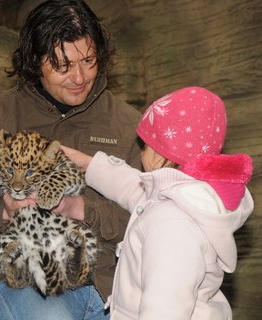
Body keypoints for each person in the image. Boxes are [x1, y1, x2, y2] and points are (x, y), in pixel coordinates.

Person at [0, 0, 143, 319]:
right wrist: (1, 213)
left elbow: (156, 214)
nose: (79, 77)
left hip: (115, 284)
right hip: (24, 280)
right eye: (62, 66)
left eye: (89, 61)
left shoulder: (130, 127)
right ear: (35, 61)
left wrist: (82, 208)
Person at [61, 86, 254, 319]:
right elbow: (136, 188)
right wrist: (89, 165)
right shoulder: (184, 197)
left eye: (144, 144)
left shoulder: (171, 225)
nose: (140, 151)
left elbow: (164, 311)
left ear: (163, 154)